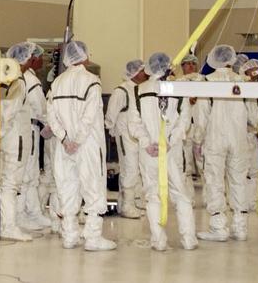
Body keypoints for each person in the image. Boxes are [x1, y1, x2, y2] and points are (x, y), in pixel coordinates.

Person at [47, 40, 116, 251]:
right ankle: (93, 238)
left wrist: (65, 139)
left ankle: (70, 235)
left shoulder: (56, 83)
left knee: (66, 187)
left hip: (64, 146)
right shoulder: (92, 81)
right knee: (93, 186)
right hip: (87, 145)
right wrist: (77, 139)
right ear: (84, 56)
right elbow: (90, 115)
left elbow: (51, 115)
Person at [132, 52, 198, 251]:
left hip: (149, 152)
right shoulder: (178, 90)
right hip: (172, 152)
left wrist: (147, 143)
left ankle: (158, 241)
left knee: (152, 194)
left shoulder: (139, 91)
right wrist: (169, 142)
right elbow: (184, 122)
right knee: (181, 194)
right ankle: (188, 240)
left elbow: (134, 124)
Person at [192, 44, 251, 241]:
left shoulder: (207, 82)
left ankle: (219, 228)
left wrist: (198, 141)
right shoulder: (243, 81)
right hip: (239, 140)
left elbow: (201, 117)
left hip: (215, 140)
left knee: (214, 182)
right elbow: (253, 115)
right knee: (239, 182)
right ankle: (240, 227)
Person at [0, 43, 38, 241]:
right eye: (31, 57)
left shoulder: (7, 78)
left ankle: (6, 223)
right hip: (15, 140)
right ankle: (8, 226)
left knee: (7, 183)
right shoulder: (19, 82)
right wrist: (1, 135)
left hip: (9, 138)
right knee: (11, 184)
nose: (33, 61)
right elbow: (8, 113)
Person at [18, 44, 54, 231]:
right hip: (29, 128)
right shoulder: (31, 81)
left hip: (27, 128)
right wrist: (52, 125)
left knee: (30, 174)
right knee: (27, 174)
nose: (43, 61)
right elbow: (40, 109)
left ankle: (32, 213)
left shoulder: (23, 78)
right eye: (40, 57)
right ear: (31, 58)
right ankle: (21, 214)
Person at [105, 59, 147, 218]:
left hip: (139, 136)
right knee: (129, 169)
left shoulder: (142, 89)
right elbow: (110, 115)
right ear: (135, 72)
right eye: (142, 71)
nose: (145, 74)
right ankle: (127, 205)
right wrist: (112, 133)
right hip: (125, 136)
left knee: (137, 169)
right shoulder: (122, 91)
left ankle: (133, 200)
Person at [238, 58, 258, 211]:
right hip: (246, 137)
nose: (255, 73)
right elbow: (241, 117)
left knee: (256, 170)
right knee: (245, 171)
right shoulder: (242, 91)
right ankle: (242, 201)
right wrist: (256, 130)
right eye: (252, 70)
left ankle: (253, 199)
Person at [178, 53, 202, 182]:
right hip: (185, 128)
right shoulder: (177, 83)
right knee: (186, 163)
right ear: (182, 67)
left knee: (203, 163)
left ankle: (210, 197)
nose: (191, 66)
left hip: (201, 127)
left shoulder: (204, 81)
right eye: (188, 64)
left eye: (193, 64)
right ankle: (188, 198)